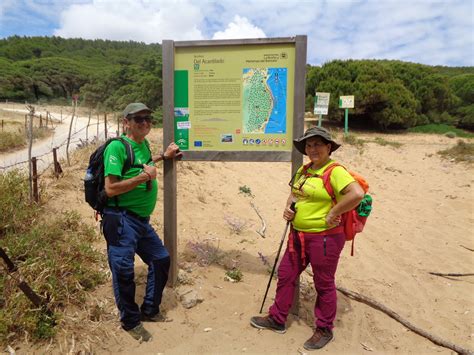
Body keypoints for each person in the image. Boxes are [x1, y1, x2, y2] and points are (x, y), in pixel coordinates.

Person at [250, 127, 364, 350]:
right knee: (285, 274)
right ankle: (277, 319)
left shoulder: (335, 171)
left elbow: (357, 194)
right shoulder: (305, 170)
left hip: (325, 238)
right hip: (298, 235)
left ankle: (324, 329)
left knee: (323, 282)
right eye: (309, 145)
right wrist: (288, 209)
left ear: (328, 147)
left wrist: (334, 212)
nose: (313, 149)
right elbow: (294, 194)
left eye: (318, 144)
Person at [102, 102, 182, 342]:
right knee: (123, 271)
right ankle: (130, 321)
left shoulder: (142, 143)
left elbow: (143, 164)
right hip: (120, 220)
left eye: (148, 119)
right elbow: (111, 188)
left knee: (160, 258)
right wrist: (145, 177)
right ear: (126, 122)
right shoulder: (116, 148)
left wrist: (162, 157)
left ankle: (149, 309)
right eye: (139, 120)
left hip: (140, 221)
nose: (145, 123)